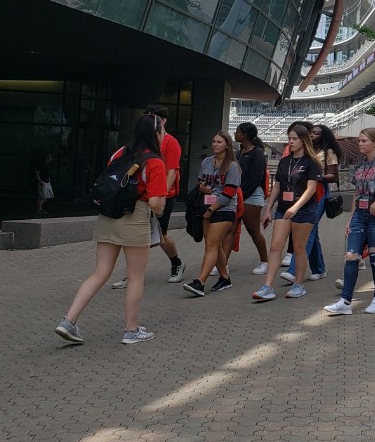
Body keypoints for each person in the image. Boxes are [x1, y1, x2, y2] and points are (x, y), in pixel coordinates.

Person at [55, 114, 167, 344]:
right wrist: (160, 208)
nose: (164, 134)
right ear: (155, 133)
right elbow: (156, 202)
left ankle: (68, 321)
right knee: (136, 276)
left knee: (100, 272)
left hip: (107, 214)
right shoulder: (154, 161)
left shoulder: (120, 153)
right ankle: (131, 330)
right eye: (162, 130)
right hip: (135, 216)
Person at [323, 127, 375, 315]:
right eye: (359, 141)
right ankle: (345, 301)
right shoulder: (360, 165)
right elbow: (357, 193)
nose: (359, 144)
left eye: (363, 141)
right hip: (360, 216)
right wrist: (350, 218)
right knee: (351, 256)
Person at [113, 106, 184, 289]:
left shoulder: (171, 142)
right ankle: (132, 274)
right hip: (142, 198)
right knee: (135, 238)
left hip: (161, 197)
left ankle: (176, 263)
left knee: (161, 236)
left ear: (163, 122)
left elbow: (172, 171)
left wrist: (162, 195)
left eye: (156, 119)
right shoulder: (137, 145)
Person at [253, 123, 322, 301]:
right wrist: (268, 208)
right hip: (283, 209)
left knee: (299, 248)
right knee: (276, 246)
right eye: (289, 138)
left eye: (294, 139)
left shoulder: (311, 163)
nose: (290, 142)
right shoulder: (285, 161)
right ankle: (268, 286)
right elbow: (277, 186)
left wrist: (296, 206)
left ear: (303, 140)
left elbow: (311, 189)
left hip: (304, 211)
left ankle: (298, 284)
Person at [184, 131, 241, 296]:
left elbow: (229, 192)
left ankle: (200, 282)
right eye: (214, 141)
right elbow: (200, 181)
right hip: (206, 205)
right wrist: (203, 188)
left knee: (211, 245)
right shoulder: (207, 162)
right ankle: (225, 278)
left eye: (219, 142)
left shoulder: (232, 166)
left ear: (227, 145)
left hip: (224, 209)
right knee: (213, 245)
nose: (215, 145)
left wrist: (211, 210)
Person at [283, 123, 341, 283]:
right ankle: (319, 268)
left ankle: (294, 270)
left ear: (323, 136)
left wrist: (316, 176)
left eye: (316, 133)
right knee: (311, 230)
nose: (313, 135)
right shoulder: (306, 151)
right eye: (311, 133)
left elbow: (334, 176)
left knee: (309, 228)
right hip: (303, 192)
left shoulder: (328, 152)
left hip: (320, 192)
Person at [235, 123, 270, 275]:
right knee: (230, 229)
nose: (235, 134)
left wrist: (242, 194)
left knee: (253, 230)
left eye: (238, 132)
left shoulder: (257, 153)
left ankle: (265, 261)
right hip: (238, 195)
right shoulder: (239, 152)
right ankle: (222, 263)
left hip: (251, 195)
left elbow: (256, 178)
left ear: (246, 135)